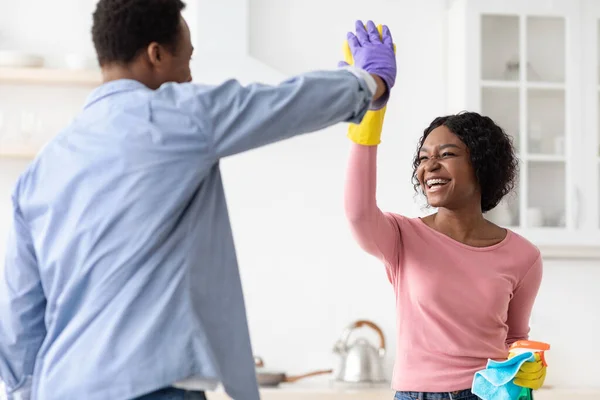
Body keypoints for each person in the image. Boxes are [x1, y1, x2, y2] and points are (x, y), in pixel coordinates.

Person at [0, 0, 396, 398]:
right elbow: (279, 104)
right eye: (187, 59)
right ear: (156, 55)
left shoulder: (42, 168)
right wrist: (367, 82)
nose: (190, 77)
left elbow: (18, 316)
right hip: (151, 388)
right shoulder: (175, 115)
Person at [342, 40, 546, 399]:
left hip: (486, 393)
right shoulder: (401, 237)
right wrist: (369, 120)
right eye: (423, 158)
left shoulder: (523, 257)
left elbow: (514, 338)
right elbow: (358, 214)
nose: (429, 166)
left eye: (446, 154)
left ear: (481, 165)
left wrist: (527, 368)